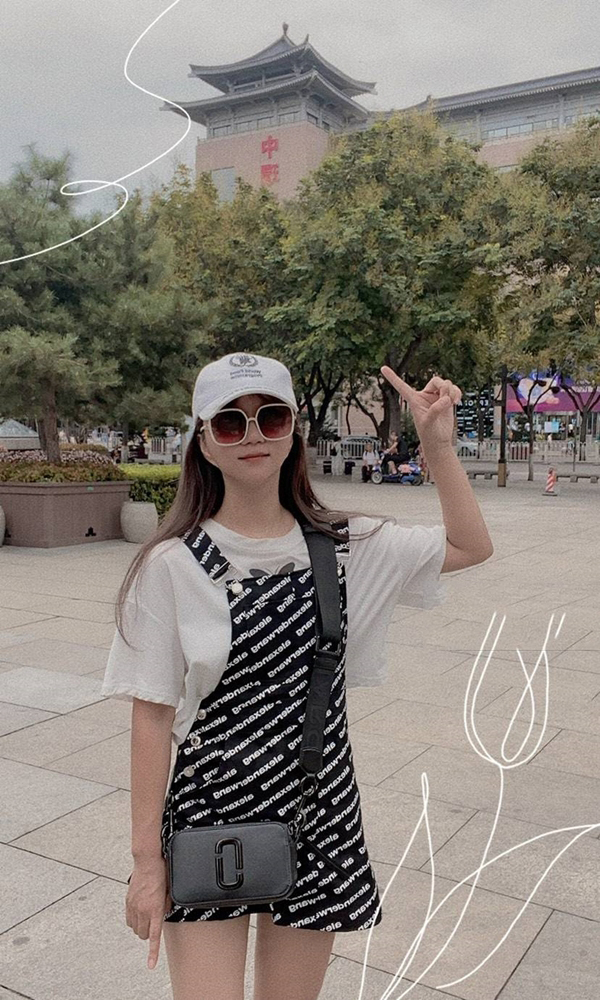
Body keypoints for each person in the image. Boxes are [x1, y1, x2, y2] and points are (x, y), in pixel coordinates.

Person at [100, 352, 494, 1000]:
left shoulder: (348, 546)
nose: (253, 434)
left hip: (319, 810)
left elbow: (470, 546)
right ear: (204, 442)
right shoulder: (171, 566)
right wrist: (146, 863)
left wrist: (438, 448)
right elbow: (152, 714)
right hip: (209, 813)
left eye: (271, 417)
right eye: (230, 422)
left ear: (293, 433)